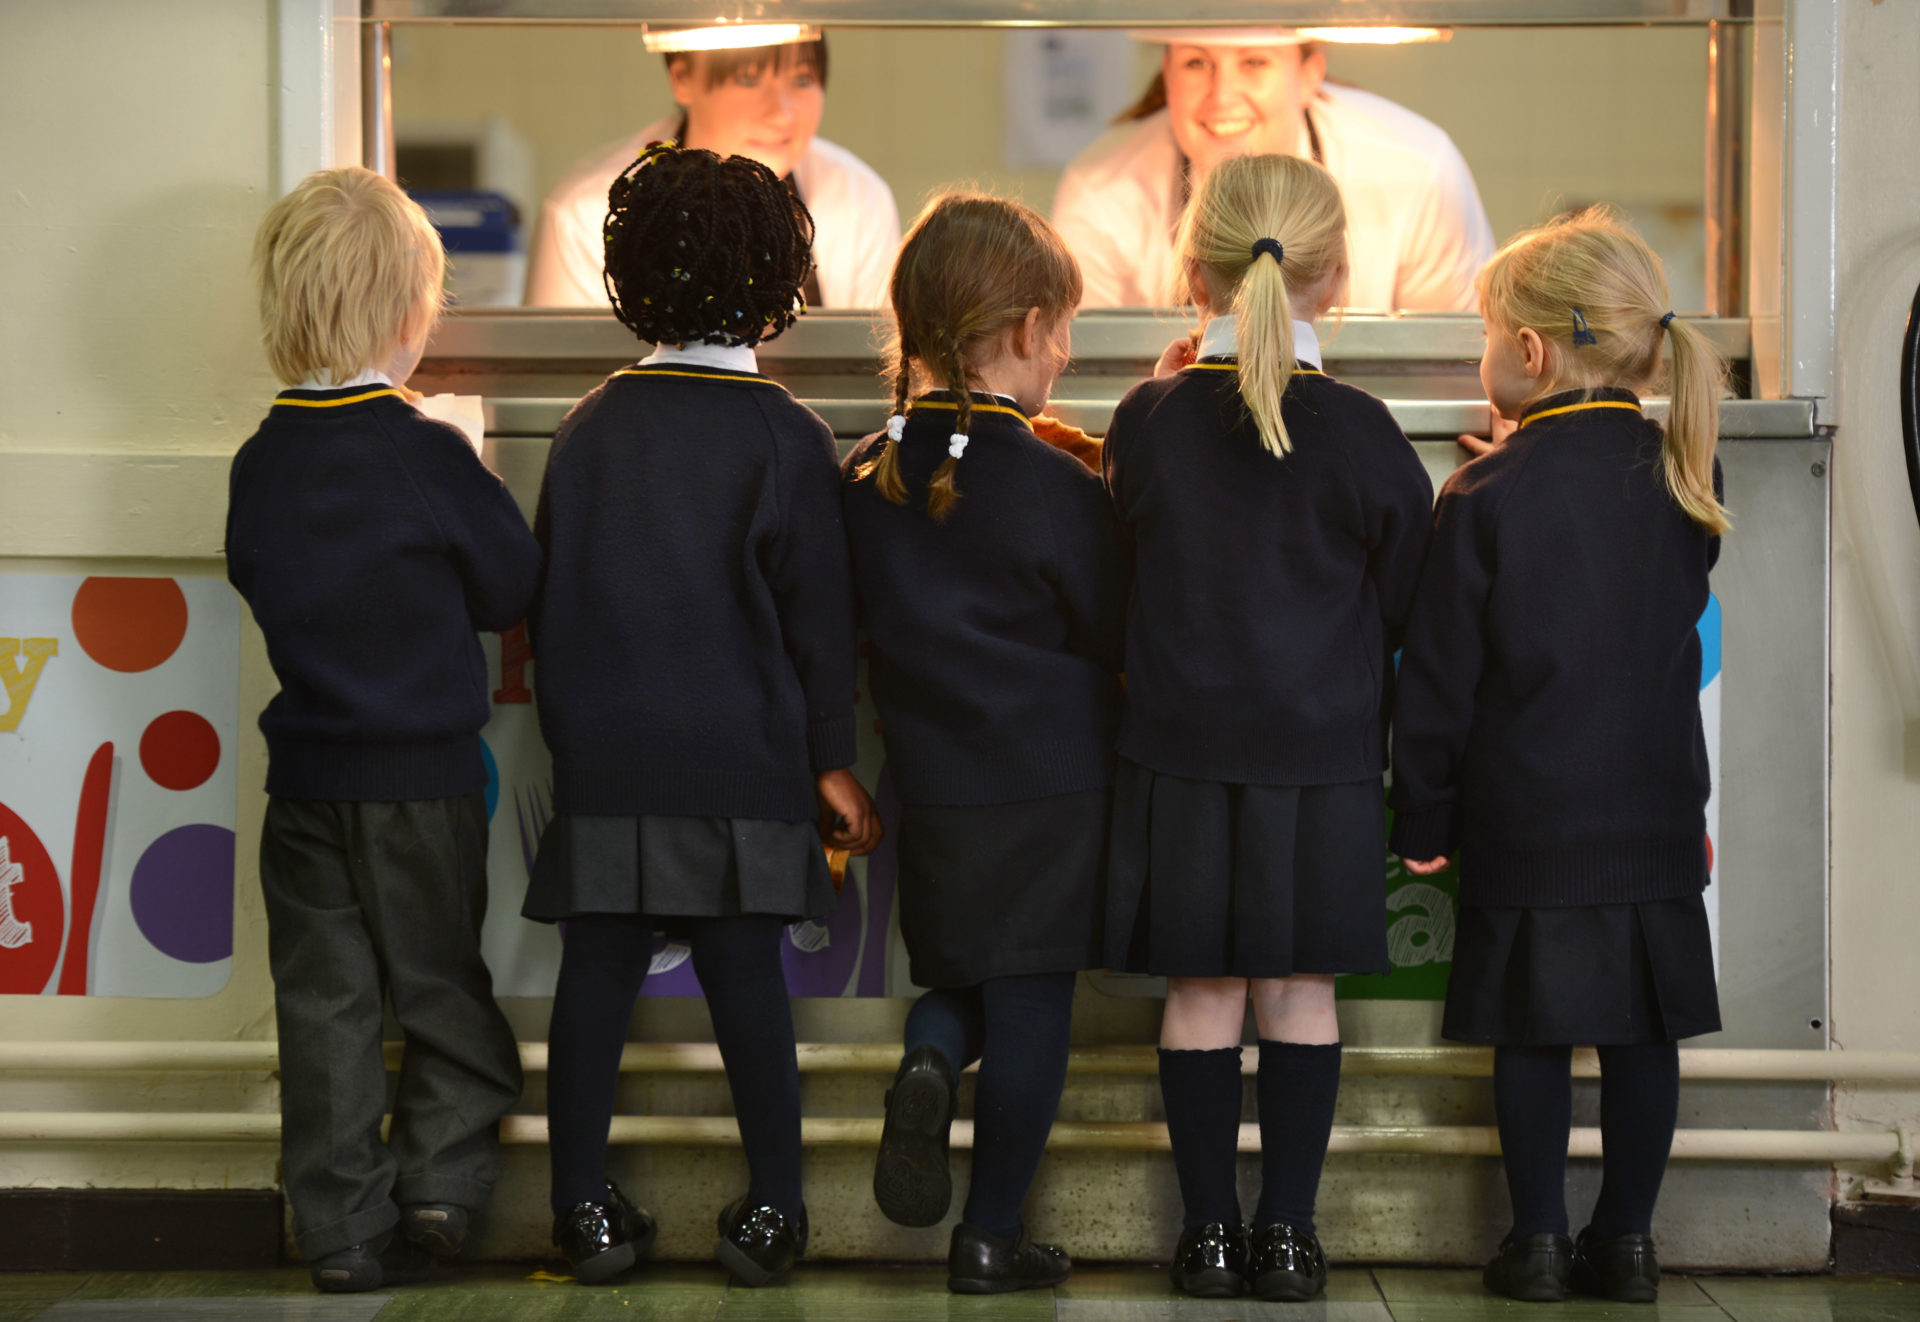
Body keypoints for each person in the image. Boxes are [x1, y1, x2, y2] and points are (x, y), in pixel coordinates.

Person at [524, 142, 881, 1289]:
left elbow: (554, 607)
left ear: (627, 273)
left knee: (595, 985)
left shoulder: (587, 430)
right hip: (744, 765)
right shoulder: (788, 437)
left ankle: (581, 1207)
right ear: (783, 276)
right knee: (747, 990)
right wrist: (832, 762)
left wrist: (575, 748)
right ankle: (773, 1207)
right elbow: (820, 629)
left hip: (612, 764)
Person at [1102, 154, 1435, 1302]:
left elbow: (1120, 569)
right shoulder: (1363, 428)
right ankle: (1288, 1235)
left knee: (1200, 994)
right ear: (1335, 279)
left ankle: (1204, 1236)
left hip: (1177, 760)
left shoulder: (1146, 419)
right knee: (1299, 993)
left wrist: (1152, 398)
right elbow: (1407, 599)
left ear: (1190, 267)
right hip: (1324, 764)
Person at [1390, 209, 1729, 1306]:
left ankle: (1535, 1240)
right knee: (1644, 1034)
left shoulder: (1483, 496)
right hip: (1656, 815)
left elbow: (1438, 685)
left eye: (1487, 332)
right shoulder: (1684, 475)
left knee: (1530, 1035)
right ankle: (1627, 1242)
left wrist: (1424, 821)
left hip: (1525, 817)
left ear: (1526, 353)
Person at [227, 167, 538, 1294]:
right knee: (442, 984)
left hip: (305, 782)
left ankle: (344, 1229)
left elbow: (255, 576)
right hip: (423, 780)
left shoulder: (263, 459)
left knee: (328, 1008)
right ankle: (445, 1187)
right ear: (411, 312)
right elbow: (509, 585)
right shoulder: (424, 451)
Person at [840, 194, 1126, 1294]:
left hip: (934, 785)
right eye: (1063, 332)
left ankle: (924, 1057)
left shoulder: (866, 475)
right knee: (1034, 1006)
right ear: (1022, 330)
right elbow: (1113, 627)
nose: (1064, 354)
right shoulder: (1059, 487)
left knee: (959, 974)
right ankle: (991, 1234)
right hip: (1055, 786)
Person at [1052, 28, 1492, 311]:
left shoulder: (1417, 168)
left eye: (1254, 62)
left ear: (1308, 76)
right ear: (1167, 74)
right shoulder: (1099, 188)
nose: (1222, 95)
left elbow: (1457, 364)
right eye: (1196, 63)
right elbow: (1081, 377)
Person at [525, 32, 899, 309]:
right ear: (682, 78)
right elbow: (562, 386)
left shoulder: (858, 198)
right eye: (748, 79)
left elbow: (871, 375)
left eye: (802, 80)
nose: (781, 112)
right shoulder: (586, 209)